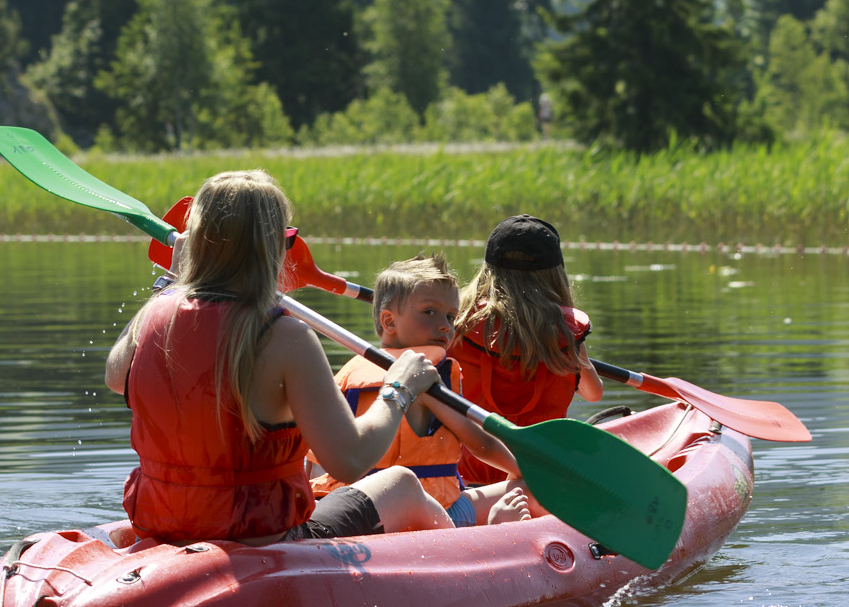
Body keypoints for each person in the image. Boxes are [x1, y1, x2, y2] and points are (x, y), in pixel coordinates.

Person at [104, 170, 485, 547]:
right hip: (264, 538)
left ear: (195, 245)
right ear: (272, 248)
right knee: (400, 482)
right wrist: (398, 389)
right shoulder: (286, 337)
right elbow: (349, 460)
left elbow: (115, 377)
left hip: (163, 525)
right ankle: (464, 562)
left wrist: (172, 284)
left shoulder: (152, 317)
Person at [309, 254, 531, 524]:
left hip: (354, 507)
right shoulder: (425, 375)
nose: (445, 326)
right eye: (430, 312)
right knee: (532, 490)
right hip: (429, 512)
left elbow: (314, 457)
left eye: (451, 316)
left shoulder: (351, 371)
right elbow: (480, 443)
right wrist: (518, 468)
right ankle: (494, 531)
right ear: (389, 321)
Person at [450, 213, 602, 489]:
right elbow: (593, 394)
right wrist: (581, 360)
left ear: (488, 269)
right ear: (556, 275)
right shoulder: (568, 332)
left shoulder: (456, 321)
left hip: (464, 477)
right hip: (538, 477)